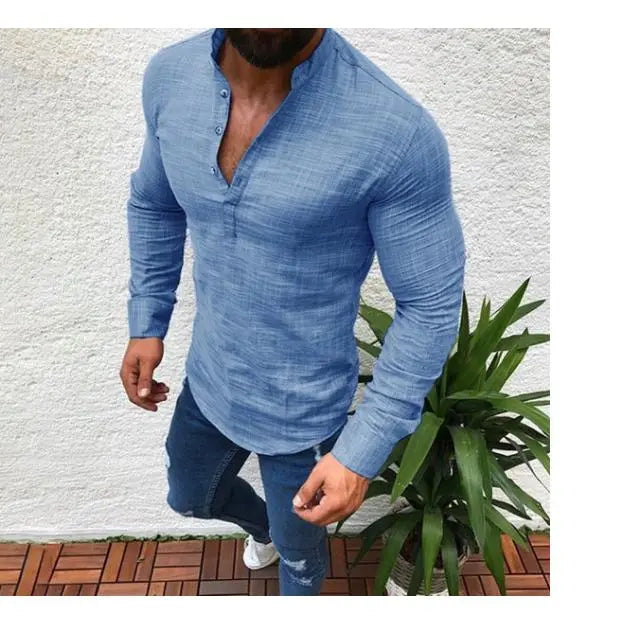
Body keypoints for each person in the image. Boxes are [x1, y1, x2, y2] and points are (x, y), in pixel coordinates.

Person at [119, 28, 466, 596]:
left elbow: (429, 305)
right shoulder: (170, 76)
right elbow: (154, 204)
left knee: (301, 566)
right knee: (190, 497)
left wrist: (359, 452)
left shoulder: (396, 131)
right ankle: (266, 530)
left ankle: (290, 548)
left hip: (303, 412)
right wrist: (147, 321)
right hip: (210, 380)